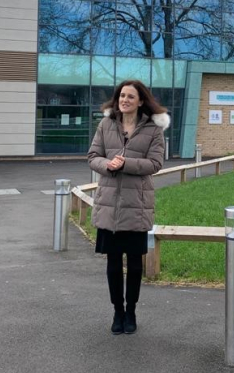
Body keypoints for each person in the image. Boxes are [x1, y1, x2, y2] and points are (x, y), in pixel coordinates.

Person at [88, 79, 168, 335]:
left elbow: (155, 164)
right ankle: (117, 311)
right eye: (122, 95)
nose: (124, 100)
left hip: (137, 205)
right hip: (109, 204)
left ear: (141, 101)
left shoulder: (153, 130)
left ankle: (131, 311)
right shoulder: (106, 124)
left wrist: (126, 164)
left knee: (134, 265)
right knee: (113, 264)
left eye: (130, 97)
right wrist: (107, 164)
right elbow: (93, 157)